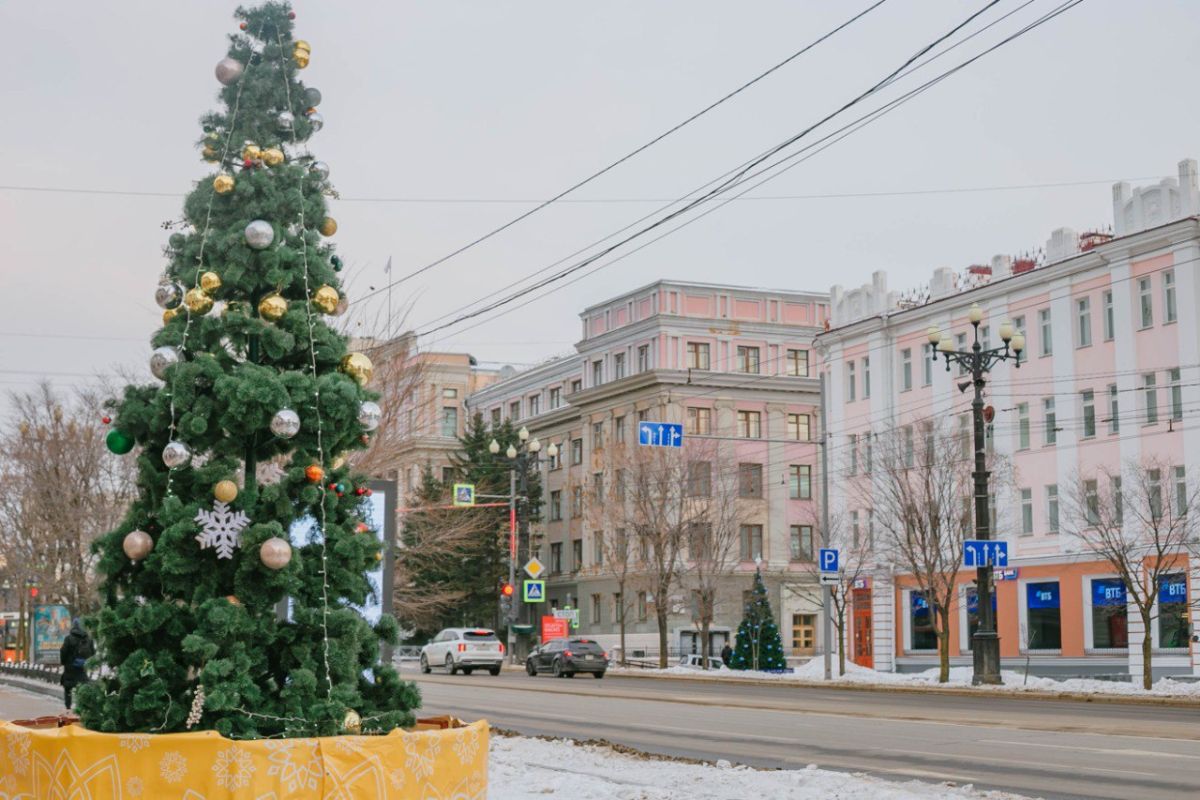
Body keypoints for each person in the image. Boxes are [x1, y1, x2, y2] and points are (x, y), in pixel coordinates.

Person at [59, 618, 93, 710]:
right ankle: (81, 708)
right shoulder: (88, 639)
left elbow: (63, 652)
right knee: (82, 687)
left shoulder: (68, 639)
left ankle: (68, 708)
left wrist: (64, 662)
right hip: (82, 668)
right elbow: (93, 653)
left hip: (70, 668)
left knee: (68, 688)